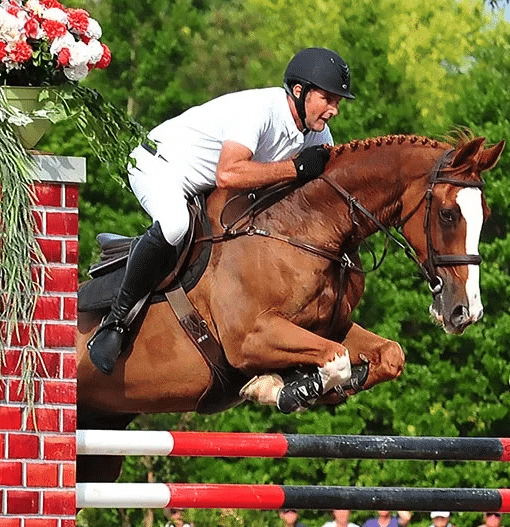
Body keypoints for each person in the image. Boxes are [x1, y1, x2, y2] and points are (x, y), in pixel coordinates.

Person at [87, 45, 355, 400]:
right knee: (175, 225)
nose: (334, 110)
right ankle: (116, 323)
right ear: (298, 91)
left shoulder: (317, 133)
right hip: (160, 165)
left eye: (338, 101)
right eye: (328, 99)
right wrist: (295, 168)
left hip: (207, 188)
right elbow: (228, 173)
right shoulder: (260, 110)